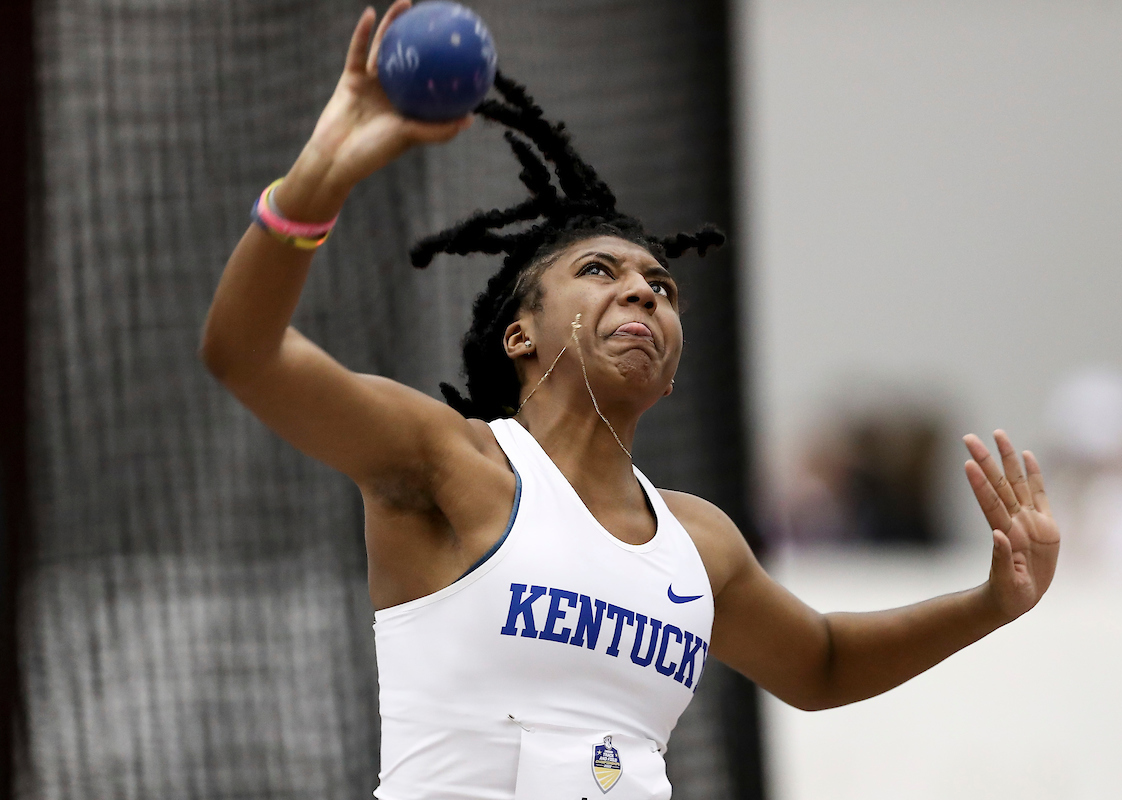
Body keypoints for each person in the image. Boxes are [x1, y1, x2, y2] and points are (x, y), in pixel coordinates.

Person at [200, 3, 1061, 797]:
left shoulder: (700, 542)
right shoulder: (450, 464)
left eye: (662, 286)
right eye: (599, 273)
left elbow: (824, 666)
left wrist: (990, 603)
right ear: (520, 335)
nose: (644, 293)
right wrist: (316, 178)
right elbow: (247, 354)